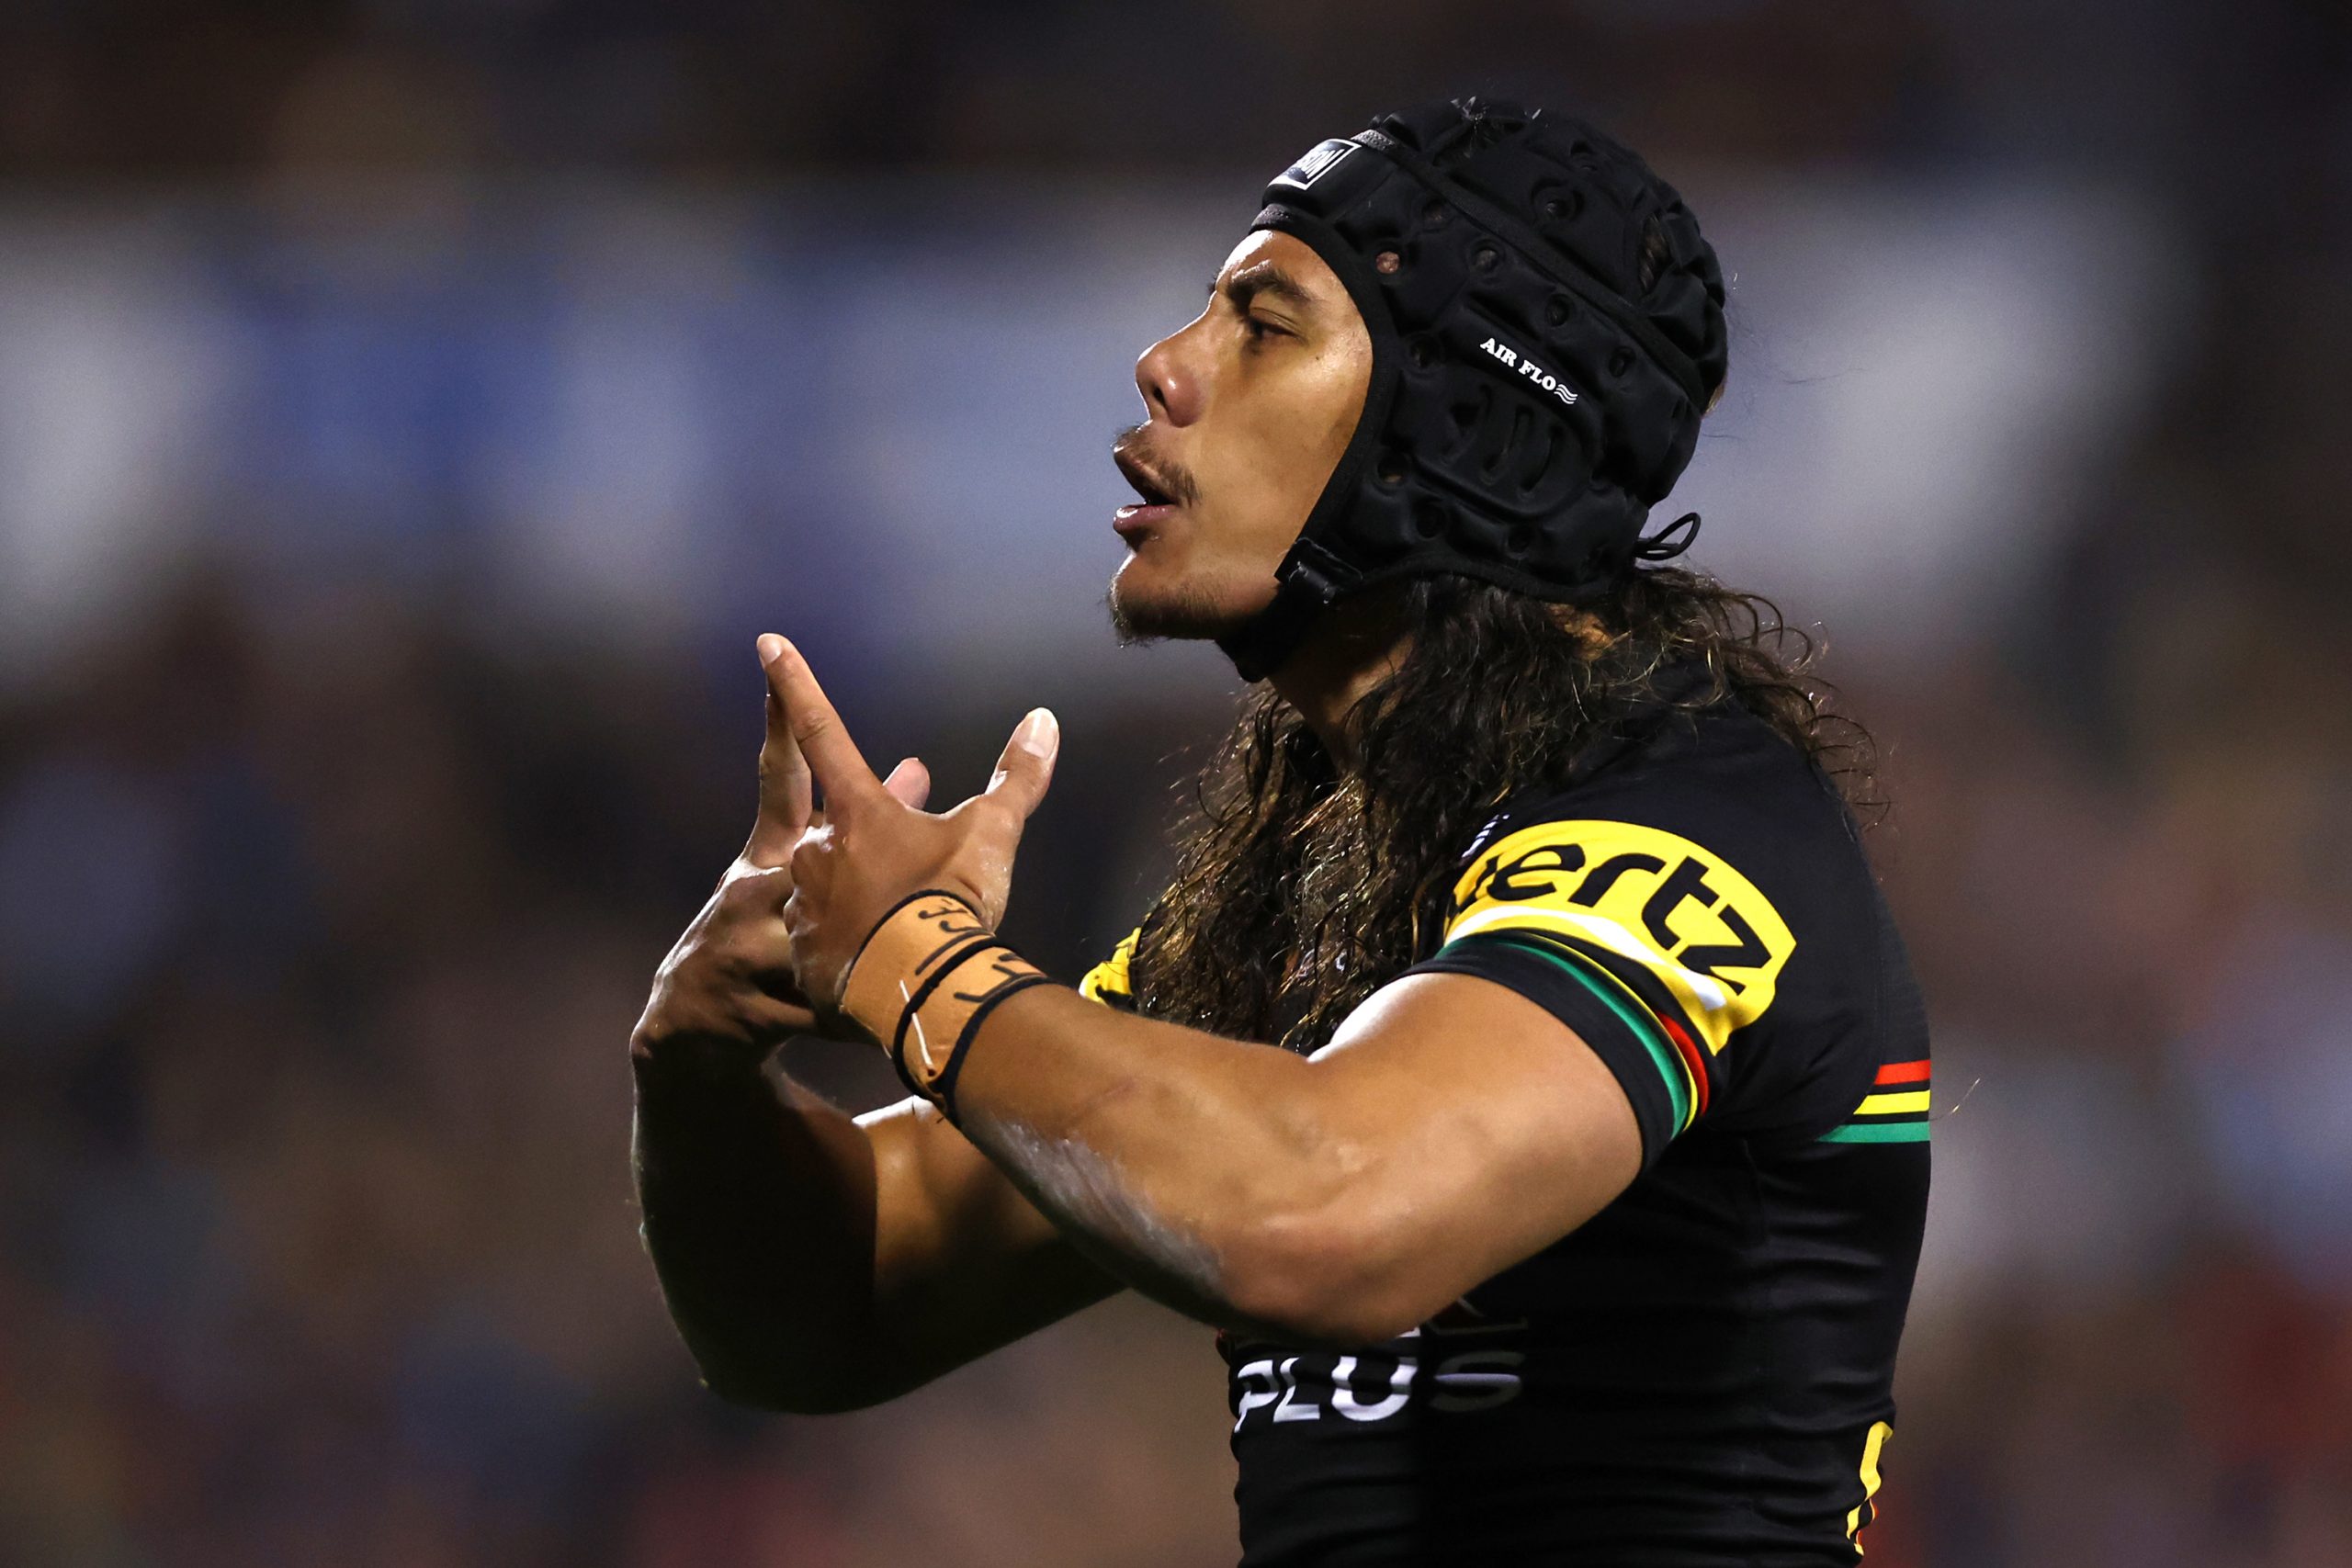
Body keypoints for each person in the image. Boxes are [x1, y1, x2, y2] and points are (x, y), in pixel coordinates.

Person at [630, 96, 1929, 1566]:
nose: (1166, 366)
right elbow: (822, 1314)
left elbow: (1332, 1210)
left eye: (1262, 322)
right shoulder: (1324, 876)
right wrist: (697, 1062)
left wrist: (918, 962)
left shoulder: (1687, 827)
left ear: (1459, 416)